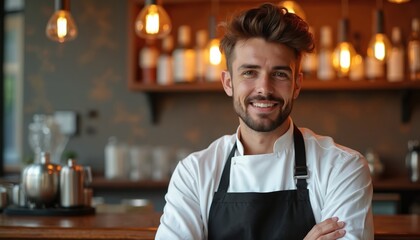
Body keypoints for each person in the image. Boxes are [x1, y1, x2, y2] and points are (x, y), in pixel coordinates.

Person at [155, 3, 373, 240]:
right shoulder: (195, 173)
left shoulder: (341, 168)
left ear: (297, 84)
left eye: (279, 74)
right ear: (228, 83)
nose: (264, 89)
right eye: (249, 72)